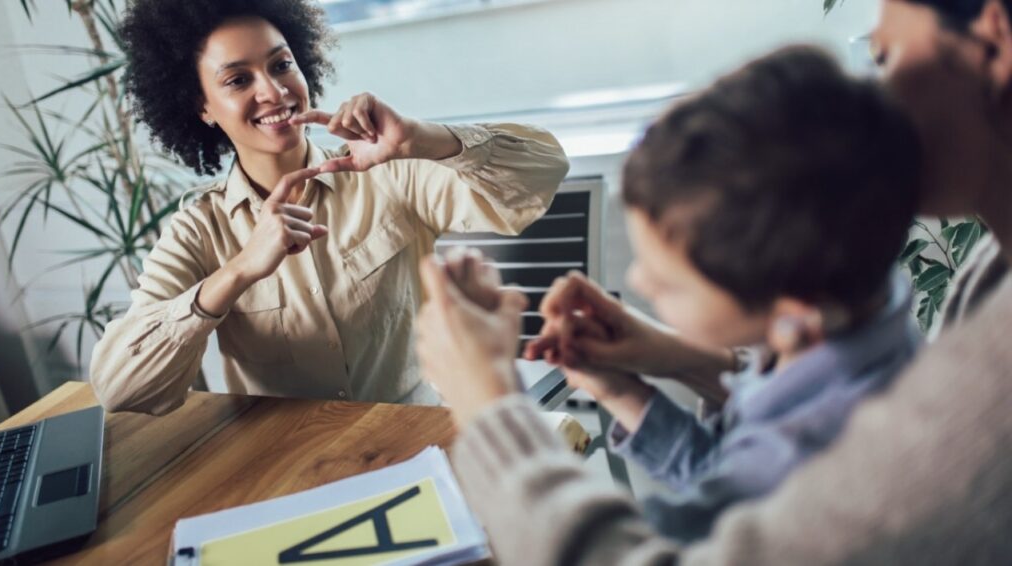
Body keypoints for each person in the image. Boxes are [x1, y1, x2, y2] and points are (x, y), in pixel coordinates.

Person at [415, 0, 1012, 563]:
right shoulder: (908, 309)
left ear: (995, 40)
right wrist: (649, 380)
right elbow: (750, 486)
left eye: (883, 57)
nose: (877, 103)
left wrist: (490, 404)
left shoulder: (968, 390)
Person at [463, 45, 926, 544]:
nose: (638, 282)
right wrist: (624, 390)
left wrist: (487, 402)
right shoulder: (863, 318)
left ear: (793, 315)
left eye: (668, 282)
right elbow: (725, 479)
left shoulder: (808, 457)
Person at [89, 0, 569, 415]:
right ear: (202, 108)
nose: (274, 92)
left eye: (281, 65)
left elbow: (543, 170)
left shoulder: (386, 169)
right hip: (288, 467)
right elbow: (119, 389)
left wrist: (420, 138)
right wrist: (238, 271)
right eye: (237, 80)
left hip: (411, 437)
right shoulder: (200, 230)